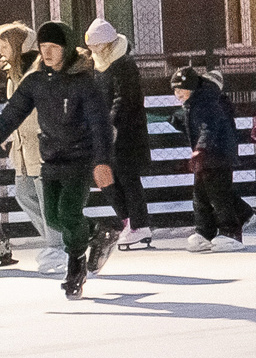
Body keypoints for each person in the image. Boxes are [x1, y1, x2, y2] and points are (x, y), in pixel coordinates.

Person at [0, 22, 113, 299]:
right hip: (50, 157)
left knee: (68, 214)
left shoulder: (84, 81)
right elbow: (13, 113)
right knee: (53, 217)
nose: (47, 53)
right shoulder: (36, 80)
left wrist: (102, 161)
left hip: (80, 158)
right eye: (43, 47)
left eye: (54, 47)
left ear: (66, 49)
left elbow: (100, 124)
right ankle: (99, 231)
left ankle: (76, 269)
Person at [85, 17, 152, 255]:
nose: (91, 49)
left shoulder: (124, 64)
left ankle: (139, 224)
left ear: (106, 43)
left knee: (127, 178)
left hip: (126, 134)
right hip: (105, 132)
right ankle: (128, 220)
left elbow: (124, 98)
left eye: (95, 44)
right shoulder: (98, 64)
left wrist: (111, 123)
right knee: (106, 178)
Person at [170, 66, 250, 251]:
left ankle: (231, 232)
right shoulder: (194, 103)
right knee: (200, 196)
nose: (178, 94)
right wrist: (178, 121)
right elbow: (196, 126)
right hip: (206, 159)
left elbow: (209, 128)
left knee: (219, 196)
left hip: (218, 157)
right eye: (175, 90)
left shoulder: (207, 103)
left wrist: (201, 149)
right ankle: (205, 232)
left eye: (181, 89)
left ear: (192, 87)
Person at [1, 21, 54, 269]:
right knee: (24, 194)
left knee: (47, 202)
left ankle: (60, 248)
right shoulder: (12, 75)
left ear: (18, 44)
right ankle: (64, 243)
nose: (0, 48)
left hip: (41, 147)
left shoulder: (36, 73)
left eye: (4, 43)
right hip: (22, 150)